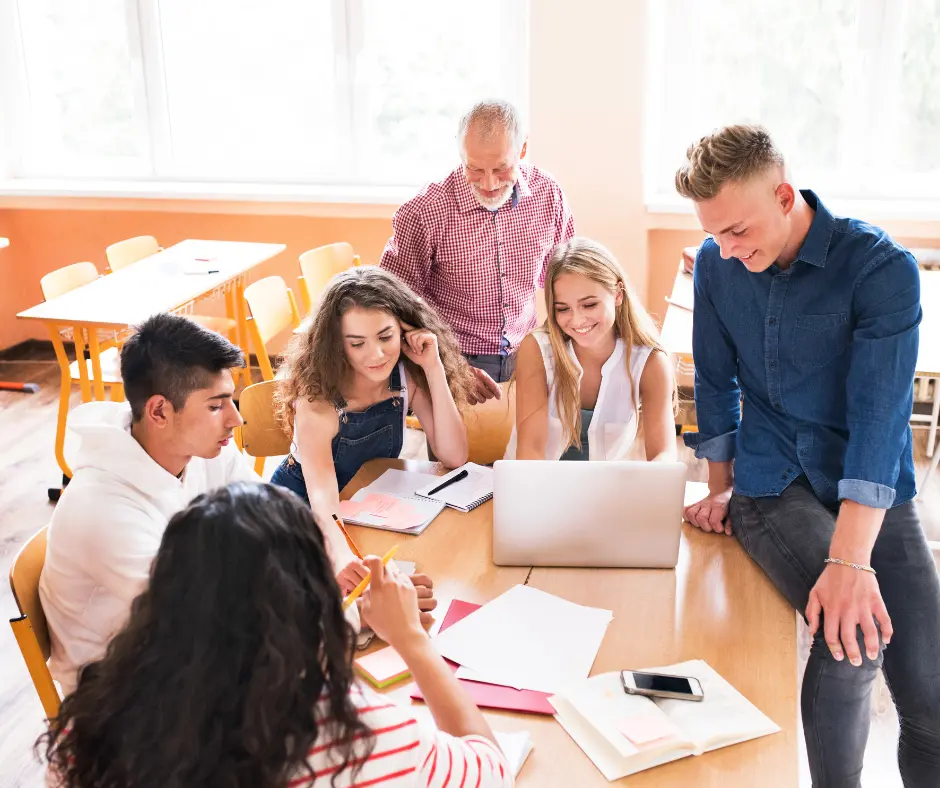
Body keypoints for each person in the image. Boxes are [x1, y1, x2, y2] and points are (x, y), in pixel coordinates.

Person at [676, 124, 940, 785]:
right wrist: (719, 484)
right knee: (854, 643)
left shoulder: (881, 269)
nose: (728, 251)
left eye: (738, 231)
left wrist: (851, 560)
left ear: (786, 194)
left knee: (934, 703)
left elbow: (881, 422)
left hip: (874, 483)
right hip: (773, 482)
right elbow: (715, 380)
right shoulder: (716, 264)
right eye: (715, 235)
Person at [41, 482, 513, 788]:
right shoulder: (367, 738)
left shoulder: (87, 728)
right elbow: (491, 769)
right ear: (309, 598)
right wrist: (412, 640)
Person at [38, 313, 255, 695]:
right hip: (118, 697)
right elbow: (193, 613)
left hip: (185, 653)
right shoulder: (101, 507)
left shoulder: (204, 448)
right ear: (158, 411)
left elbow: (269, 519)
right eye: (216, 405)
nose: (235, 419)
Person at [271, 266, 474, 591]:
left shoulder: (407, 374)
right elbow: (323, 497)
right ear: (336, 344)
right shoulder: (317, 398)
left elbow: (454, 454)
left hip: (366, 502)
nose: (376, 355)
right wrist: (342, 556)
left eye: (385, 337)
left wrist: (433, 367)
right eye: (357, 344)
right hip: (304, 506)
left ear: (405, 329)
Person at [380, 99, 575, 403]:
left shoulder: (548, 194)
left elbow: (565, 279)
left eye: (501, 168)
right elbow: (391, 305)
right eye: (474, 168)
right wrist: (450, 367)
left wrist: (560, 348)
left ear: (522, 150)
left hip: (530, 353)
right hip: (454, 360)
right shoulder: (424, 211)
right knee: (457, 452)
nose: (489, 183)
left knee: (525, 450)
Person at [507, 237, 677, 462]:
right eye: (563, 308)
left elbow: (664, 454)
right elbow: (531, 450)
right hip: (535, 485)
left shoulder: (650, 361)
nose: (577, 320)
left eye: (589, 305)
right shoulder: (537, 349)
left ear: (618, 294)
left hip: (603, 491)